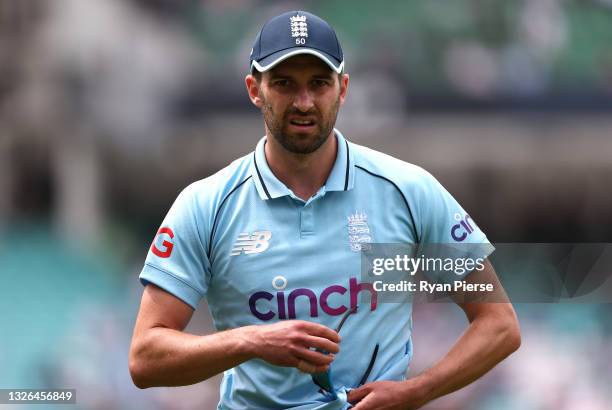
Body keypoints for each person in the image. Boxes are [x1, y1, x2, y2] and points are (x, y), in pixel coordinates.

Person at [129, 10, 521, 410]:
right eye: (284, 83)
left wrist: (416, 391)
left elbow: (499, 325)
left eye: (318, 84)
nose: (304, 102)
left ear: (343, 88)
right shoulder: (207, 205)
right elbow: (145, 358)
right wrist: (252, 340)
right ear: (254, 89)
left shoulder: (407, 191)